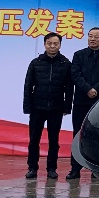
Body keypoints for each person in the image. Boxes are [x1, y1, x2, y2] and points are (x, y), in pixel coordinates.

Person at [23, 32, 73, 180]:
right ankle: (32, 168)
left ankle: (52, 168)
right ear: (45, 44)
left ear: (60, 45)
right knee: (34, 140)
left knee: (54, 140)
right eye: (49, 43)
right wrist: (27, 107)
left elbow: (69, 88)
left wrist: (67, 107)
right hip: (37, 107)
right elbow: (28, 86)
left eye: (55, 44)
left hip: (56, 108)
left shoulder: (65, 63)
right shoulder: (36, 63)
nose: (52, 46)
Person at [68, 27, 99, 180]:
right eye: (90, 36)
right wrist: (88, 89)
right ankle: (75, 168)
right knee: (78, 133)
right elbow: (75, 74)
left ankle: (96, 169)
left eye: (96, 37)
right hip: (81, 101)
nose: (92, 39)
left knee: (97, 134)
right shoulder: (79, 55)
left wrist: (96, 89)